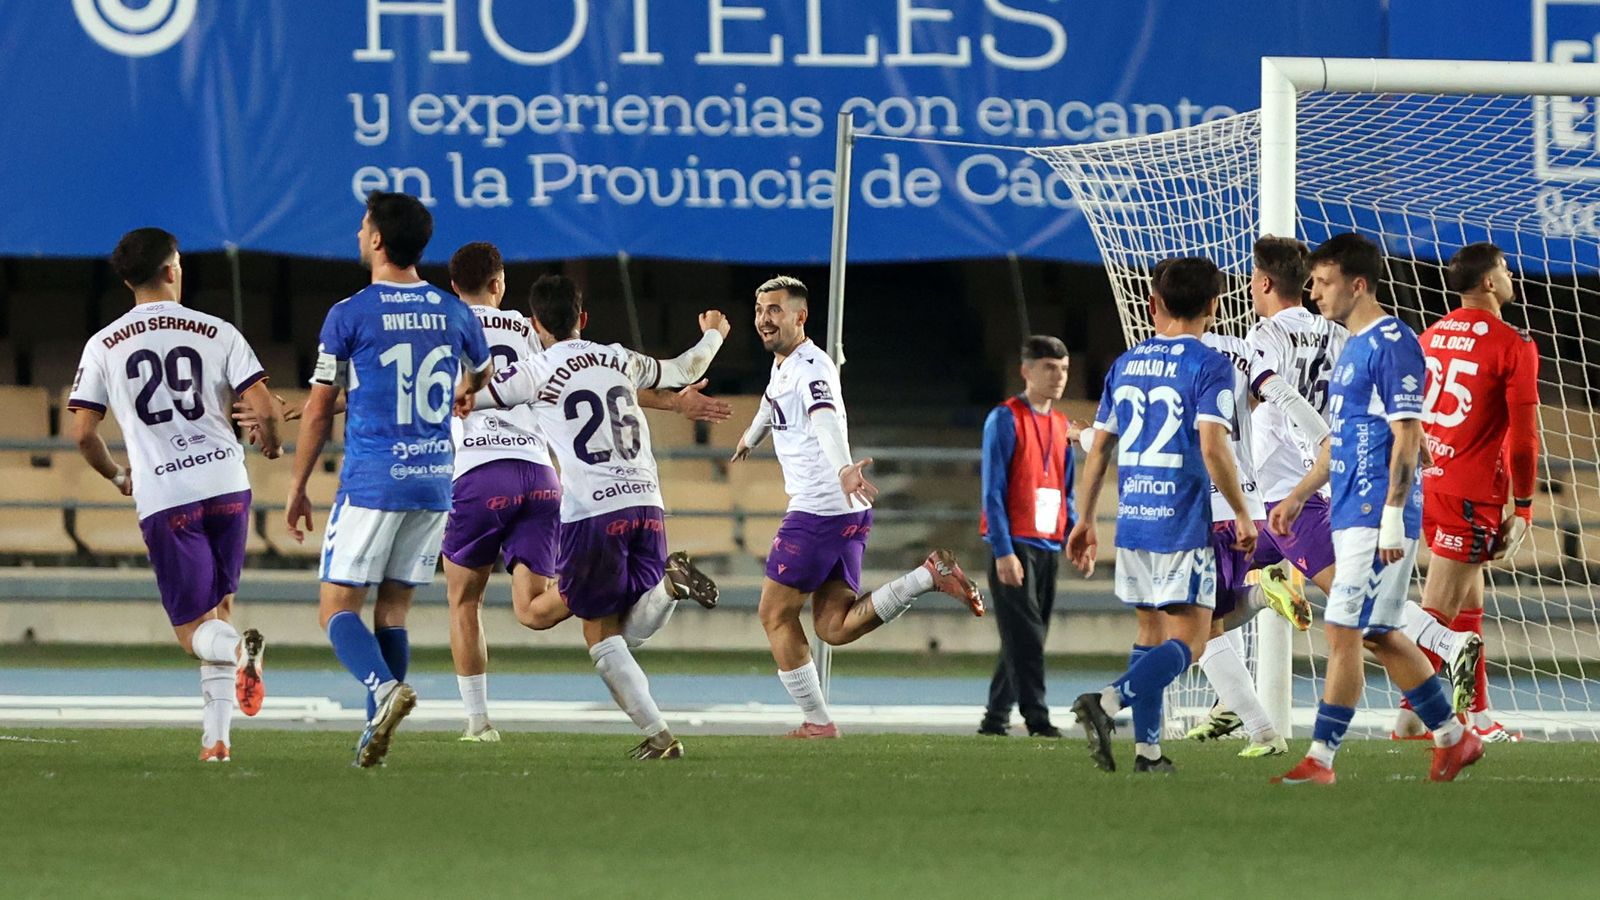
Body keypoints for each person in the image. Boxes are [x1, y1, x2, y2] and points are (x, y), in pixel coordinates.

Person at [439, 245, 728, 742]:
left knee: (528, 613)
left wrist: (455, 398)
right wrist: (713, 336)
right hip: (629, 497)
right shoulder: (613, 355)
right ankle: (666, 596)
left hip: (570, 501)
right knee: (622, 628)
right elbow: (682, 367)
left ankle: (479, 723)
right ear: (583, 317)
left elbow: (471, 393)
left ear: (538, 320)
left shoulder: (508, 354)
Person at [286, 191, 492, 768]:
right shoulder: (456, 313)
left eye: (362, 226)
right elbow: (480, 373)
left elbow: (321, 408)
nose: (357, 234)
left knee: (335, 609)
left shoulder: (349, 313)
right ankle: (374, 731)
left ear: (378, 239)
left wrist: (298, 484)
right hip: (432, 481)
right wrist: (465, 393)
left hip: (373, 480)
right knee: (393, 612)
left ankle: (381, 690)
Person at [1270, 232, 1483, 784]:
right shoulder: (1352, 347)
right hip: (1347, 510)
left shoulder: (1392, 342)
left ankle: (1320, 758)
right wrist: (1298, 495)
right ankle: (1454, 738)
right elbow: (1344, 441)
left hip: (1374, 517)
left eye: (1322, 282)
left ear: (1357, 284)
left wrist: (1391, 515)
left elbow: (1410, 435)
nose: (1314, 292)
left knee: (1342, 632)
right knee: (1379, 635)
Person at [733, 276, 985, 739]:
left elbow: (824, 419)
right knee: (833, 626)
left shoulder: (811, 368)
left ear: (799, 316)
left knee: (773, 614)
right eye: (759, 309)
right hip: (843, 512)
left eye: (774, 309)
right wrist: (752, 436)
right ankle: (927, 576)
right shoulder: (787, 364)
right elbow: (772, 404)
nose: (764, 318)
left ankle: (817, 722)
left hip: (818, 512)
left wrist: (845, 468)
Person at [66, 227, 279, 762]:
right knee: (220, 607)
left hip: (167, 494)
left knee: (193, 633)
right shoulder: (218, 331)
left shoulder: (105, 344)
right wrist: (271, 444)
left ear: (125, 279)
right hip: (228, 486)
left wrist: (118, 477)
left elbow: (83, 433)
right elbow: (266, 407)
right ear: (170, 269)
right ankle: (217, 741)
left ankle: (237, 653)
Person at [1067, 256, 1258, 773]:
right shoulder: (1210, 364)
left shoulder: (1125, 363)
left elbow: (1100, 447)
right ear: (1214, 308)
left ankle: (1148, 753)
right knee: (1191, 643)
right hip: (1181, 519)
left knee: (1149, 632)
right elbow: (1214, 447)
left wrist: (1084, 519)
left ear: (1154, 305)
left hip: (1133, 517)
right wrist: (1241, 511)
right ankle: (1107, 703)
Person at [1186, 236, 1347, 742]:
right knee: (1215, 608)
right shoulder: (1336, 334)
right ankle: (1231, 703)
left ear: (1262, 282)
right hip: (1314, 485)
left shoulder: (1262, 335)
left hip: (1282, 494)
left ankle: (1441, 646)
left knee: (1352, 608)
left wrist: (1316, 435)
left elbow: (1267, 391)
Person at [1395, 242, 1539, 743]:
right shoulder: (1512, 342)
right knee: (1437, 610)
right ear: (1488, 283)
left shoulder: (1429, 336)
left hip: (1428, 482)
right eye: (1503, 267)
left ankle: (1476, 715)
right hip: (1471, 491)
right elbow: (1523, 438)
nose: (1509, 273)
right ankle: (1410, 718)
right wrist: (1523, 503)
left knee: (1468, 603)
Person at [977, 336, 1078, 738]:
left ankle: (995, 717)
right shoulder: (1004, 418)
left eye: (1065, 369)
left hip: (1048, 543)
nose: (1058, 377)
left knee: (1023, 639)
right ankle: (1037, 717)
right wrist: (1003, 550)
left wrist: (1072, 537)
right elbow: (993, 489)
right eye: (1049, 368)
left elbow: (1066, 490)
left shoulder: (1061, 425)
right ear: (1026, 370)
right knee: (1029, 638)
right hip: (1014, 543)